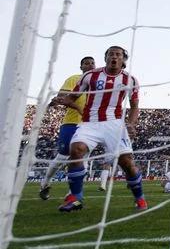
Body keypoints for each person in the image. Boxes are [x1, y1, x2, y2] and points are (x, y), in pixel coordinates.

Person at [54, 46, 147, 212]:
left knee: (126, 163)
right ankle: (76, 197)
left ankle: (139, 198)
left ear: (123, 60)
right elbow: (72, 97)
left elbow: (134, 106)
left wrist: (131, 124)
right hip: (90, 122)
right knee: (76, 150)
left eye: (118, 54)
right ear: (105, 58)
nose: (114, 57)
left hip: (114, 124)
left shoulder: (130, 80)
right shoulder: (90, 76)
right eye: (111, 54)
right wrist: (62, 99)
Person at [39, 57, 96, 200]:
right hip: (72, 122)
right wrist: (62, 103)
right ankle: (45, 182)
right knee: (63, 156)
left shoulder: (99, 83)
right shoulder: (74, 79)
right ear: (81, 67)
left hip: (90, 125)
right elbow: (62, 97)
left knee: (84, 158)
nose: (90, 65)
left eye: (92, 63)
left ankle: (73, 192)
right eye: (86, 63)